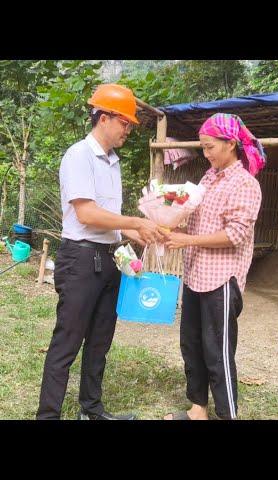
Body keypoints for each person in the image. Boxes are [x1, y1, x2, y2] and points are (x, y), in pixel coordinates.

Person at [37, 84, 166, 420]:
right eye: (125, 122)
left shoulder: (113, 162)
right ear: (105, 117)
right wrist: (134, 221)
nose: (128, 130)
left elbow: (110, 220)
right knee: (67, 342)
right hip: (80, 260)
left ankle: (92, 410)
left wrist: (139, 230)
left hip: (109, 258)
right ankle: (47, 414)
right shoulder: (78, 155)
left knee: (99, 342)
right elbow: (87, 214)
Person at [163, 113, 264, 420]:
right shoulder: (209, 177)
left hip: (220, 281)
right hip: (195, 275)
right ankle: (197, 410)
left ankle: (227, 415)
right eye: (203, 147)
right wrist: (169, 222)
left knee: (217, 352)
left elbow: (234, 236)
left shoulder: (245, 184)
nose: (205, 154)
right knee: (191, 345)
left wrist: (187, 241)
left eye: (209, 147)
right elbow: (195, 215)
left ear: (231, 143)